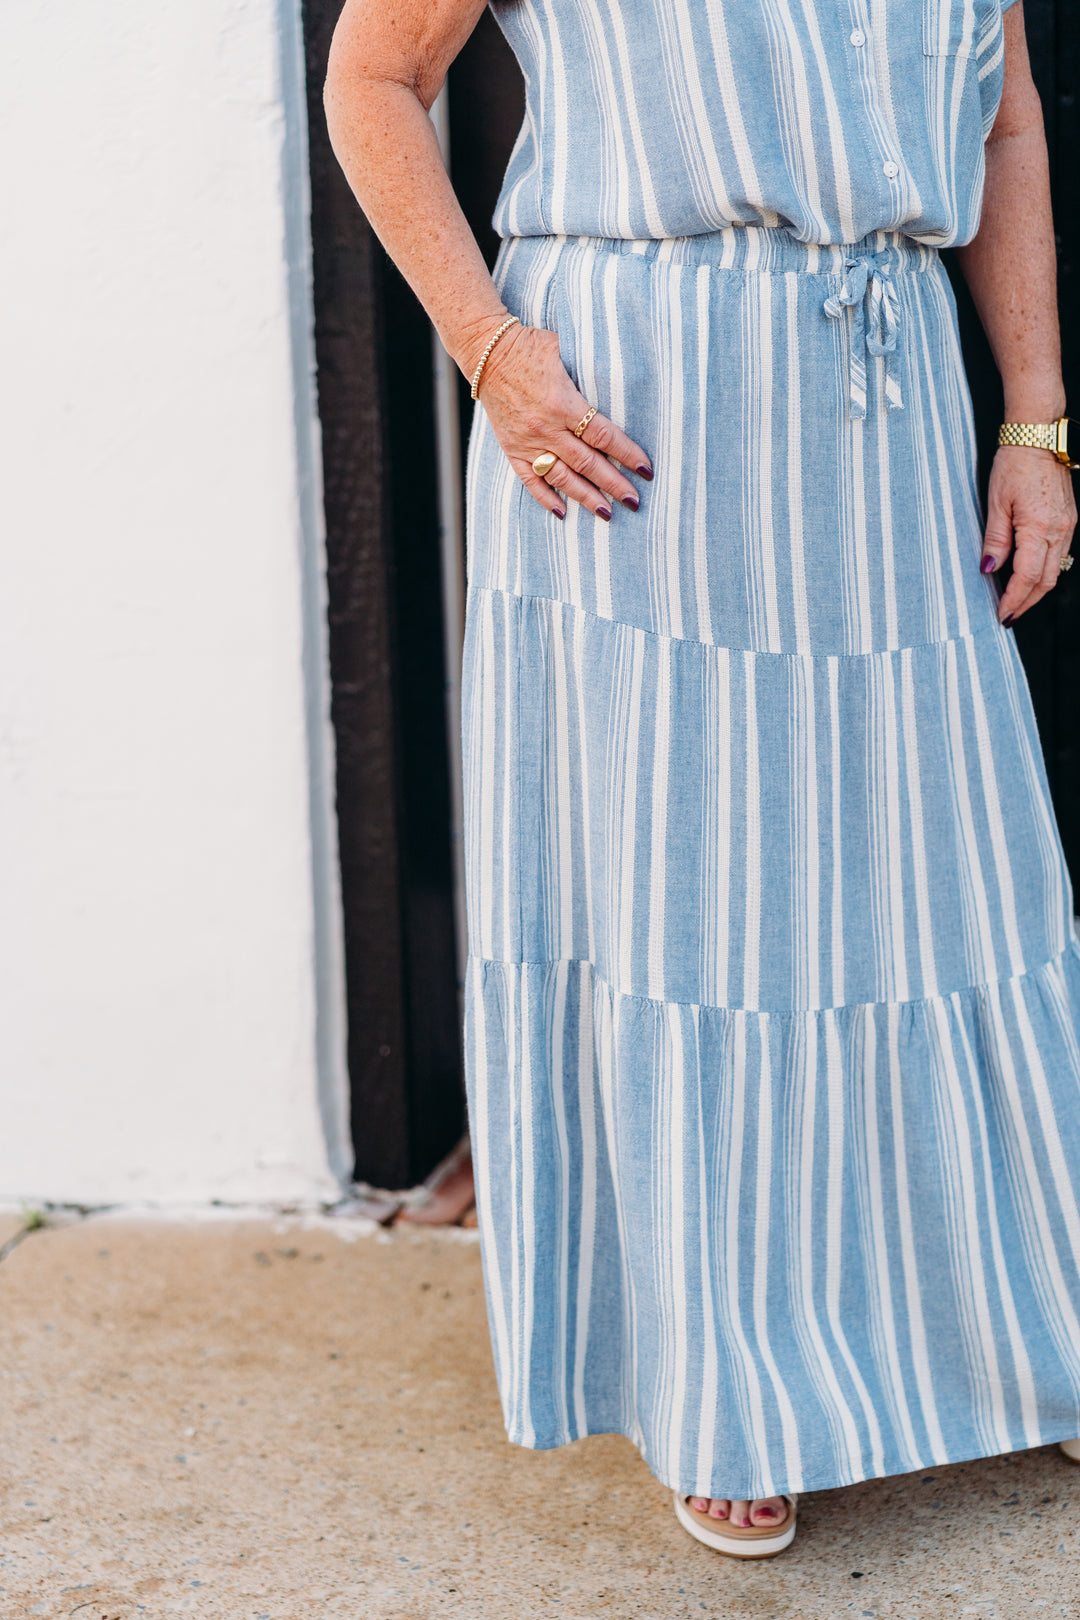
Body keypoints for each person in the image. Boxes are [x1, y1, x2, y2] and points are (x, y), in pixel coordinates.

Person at [325, 0, 1080, 1557]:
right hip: (635, 417)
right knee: (704, 904)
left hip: (884, 405)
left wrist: (1037, 418)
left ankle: (1027, 1328)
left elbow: (1002, 122)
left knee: (953, 876)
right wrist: (493, 351)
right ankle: (726, 1382)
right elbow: (375, 79)